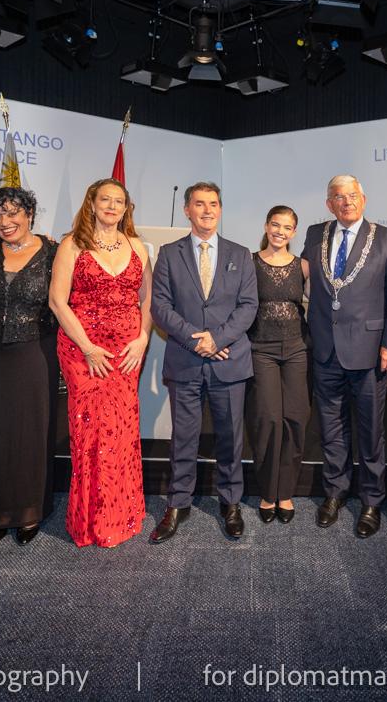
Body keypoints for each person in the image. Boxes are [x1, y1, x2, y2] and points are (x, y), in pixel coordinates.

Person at [301, 174, 387, 538]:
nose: (345, 202)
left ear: (363, 199)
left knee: (371, 430)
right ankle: (335, 492)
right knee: (331, 429)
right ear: (329, 203)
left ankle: (372, 499)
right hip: (325, 348)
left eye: (352, 196)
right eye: (337, 197)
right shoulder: (316, 234)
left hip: (369, 350)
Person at [149, 181, 258, 543]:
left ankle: (231, 503)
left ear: (220, 209)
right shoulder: (168, 253)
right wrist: (200, 341)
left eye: (213, 204)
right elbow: (160, 307)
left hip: (230, 363)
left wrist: (218, 339)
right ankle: (178, 503)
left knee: (230, 439)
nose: (207, 210)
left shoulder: (241, 254)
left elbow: (248, 307)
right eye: (200, 204)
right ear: (187, 210)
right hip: (185, 361)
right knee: (183, 438)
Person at [49, 178, 152, 548]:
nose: (112, 206)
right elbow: (58, 302)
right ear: (91, 203)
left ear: (127, 208)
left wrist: (142, 339)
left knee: (122, 430)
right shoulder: (71, 244)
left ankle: (122, 514)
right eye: (105, 199)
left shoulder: (137, 246)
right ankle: (91, 521)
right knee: (90, 431)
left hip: (127, 352)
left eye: (119, 201)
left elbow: (147, 301)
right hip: (83, 352)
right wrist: (88, 347)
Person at [0, 187, 59, 547]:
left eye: (12, 213)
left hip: (35, 351)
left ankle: (28, 512)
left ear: (29, 214)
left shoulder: (54, 252)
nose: (5, 222)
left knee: (31, 432)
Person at [246, 205, 310, 524]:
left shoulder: (304, 266)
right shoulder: (251, 262)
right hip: (261, 349)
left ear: (294, 232)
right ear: (266, 225)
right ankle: (267, 493)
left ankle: (286, 492)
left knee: (295, 419)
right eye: (275, 224)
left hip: (297, 349)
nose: (280, 231)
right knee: (268, 420)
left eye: (287, 227)